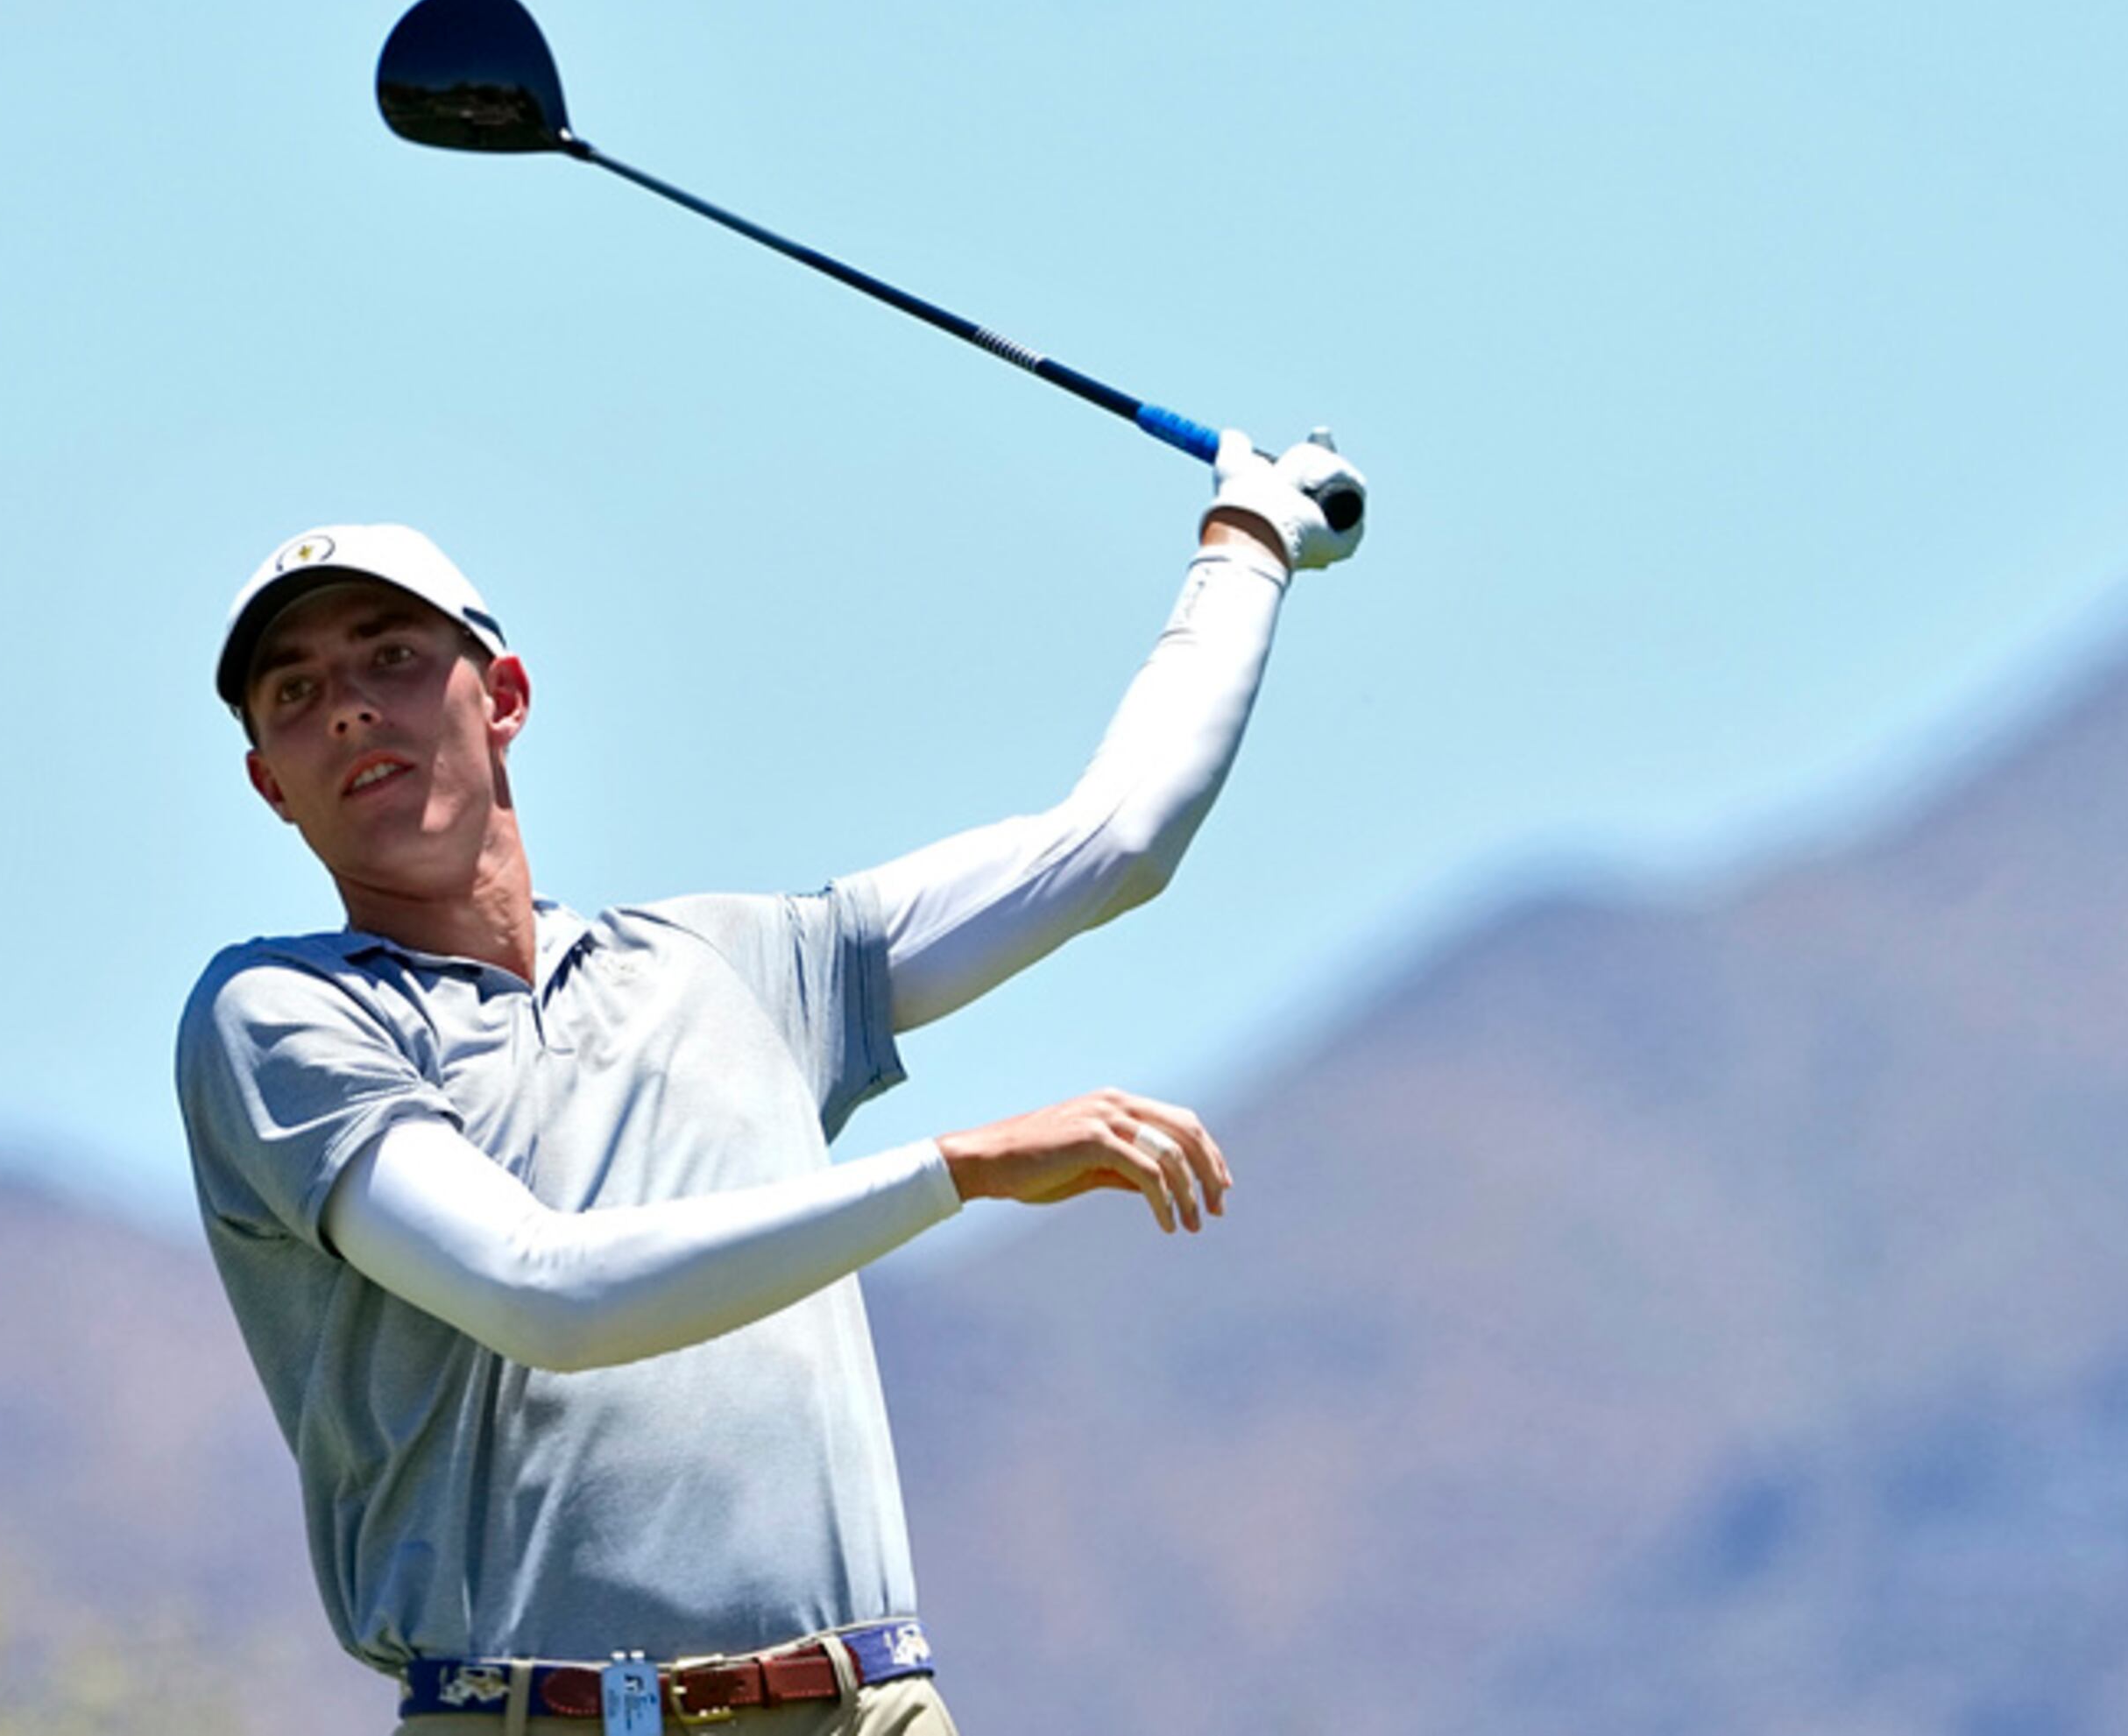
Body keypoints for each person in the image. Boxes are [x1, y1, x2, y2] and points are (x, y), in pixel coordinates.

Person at [176, 430, 1367, 1733]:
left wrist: (1246, 544)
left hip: (868, 1708)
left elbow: (1112, 843)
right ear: (266, 783)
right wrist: (953, 1171)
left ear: (503, 694)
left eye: (391, 657)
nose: (345, 704)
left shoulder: (743, 963)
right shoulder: (278, 1015)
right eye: (291, 692)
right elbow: (540, 1288)